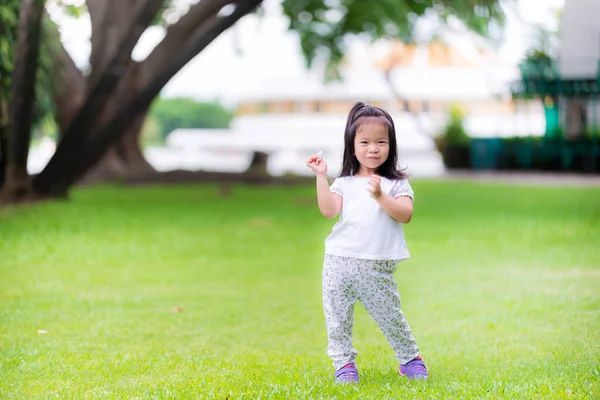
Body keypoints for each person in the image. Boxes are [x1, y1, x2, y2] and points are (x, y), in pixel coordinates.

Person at [306, 102, 429, 384]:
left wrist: (380, 196)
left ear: (391, 146)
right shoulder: (345, 182)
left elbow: (405, 214)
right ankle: (344, 364)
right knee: (337, 319)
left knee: (390, 316)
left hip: (376, 264)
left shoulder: (396, 183)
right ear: (352, 146)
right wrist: (322, 177)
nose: (373, 148)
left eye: (381, 142)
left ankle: (409, 358)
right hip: (339, 261)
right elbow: (328, 211)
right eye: (365, 142)